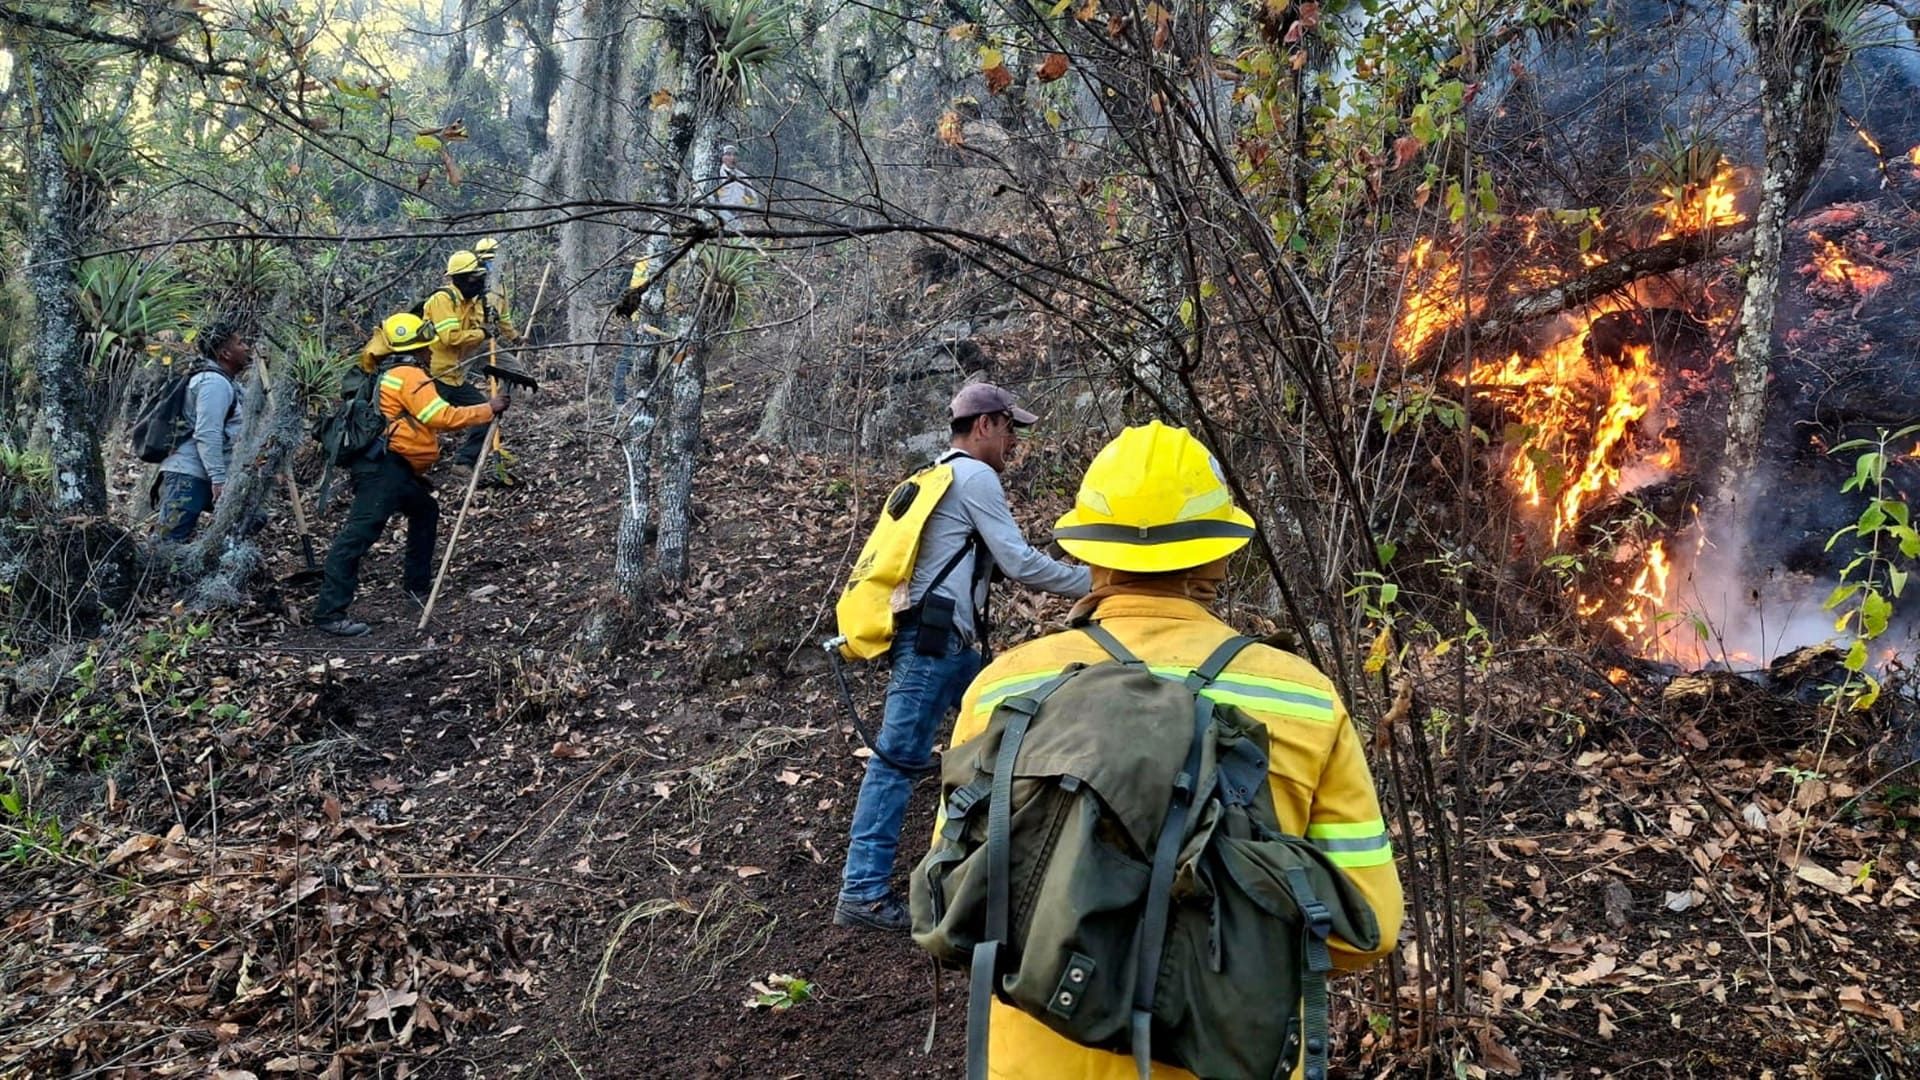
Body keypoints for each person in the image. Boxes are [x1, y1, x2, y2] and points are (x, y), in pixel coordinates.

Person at [938, 421, 1404, 1077]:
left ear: (1090, 553)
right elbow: (1369, 926)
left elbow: (955, 897)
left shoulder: (1003, 689)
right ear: (1219, 555)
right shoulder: (1302, 698)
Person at [834, 383, 1092, 931]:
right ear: (984, 426)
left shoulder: (936, 474)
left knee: (1009, 737)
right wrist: (1097, 582)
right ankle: (861, 891)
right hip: (935, 648)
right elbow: (1019, 563)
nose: (1013, 442)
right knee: (899, 761)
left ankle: (995, 870)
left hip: (942, 645)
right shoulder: (975, 476)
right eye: (1009, 429)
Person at [310, 313, 506, 637]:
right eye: (427, 348)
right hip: (383, 470)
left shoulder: (386, 374)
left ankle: (416, 585)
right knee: (356, 537)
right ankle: (329, 613)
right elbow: (440, 416)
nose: (431, 353)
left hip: (392, 468)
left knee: (425, 510)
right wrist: (489, 408)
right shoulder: (409, 375)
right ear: (419, 349)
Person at [154, 319, 253, 542]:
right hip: (189, 475)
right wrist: (218, 479)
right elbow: (208, 432)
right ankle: (156, 575)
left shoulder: (227, 383)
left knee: (252, 518)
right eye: (240, 343)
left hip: (204, 473)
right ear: (225, 353)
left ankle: (204, 564)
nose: (246, 347)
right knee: (168, 541)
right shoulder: (213, 383)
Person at [423, 250, 494, 472]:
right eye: (474, 278)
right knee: (424, 425)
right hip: (434, 375)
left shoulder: (471, 303)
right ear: (460, 278)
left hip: (454, 375)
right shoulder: (443, 299)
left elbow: (469, 339)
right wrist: (482, 334)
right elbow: (450, 338)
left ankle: (463, 463)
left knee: (485, 412)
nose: (479, 282)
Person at [712, 144, 755, 229]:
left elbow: (753, 198)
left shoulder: (743, 176)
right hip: (721, 216)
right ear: (722, 157)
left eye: (735, 155)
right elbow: (710, 197)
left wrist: (746, 209)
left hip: (739, 218)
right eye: (728, 154)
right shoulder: (716, 175)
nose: (732, 158)